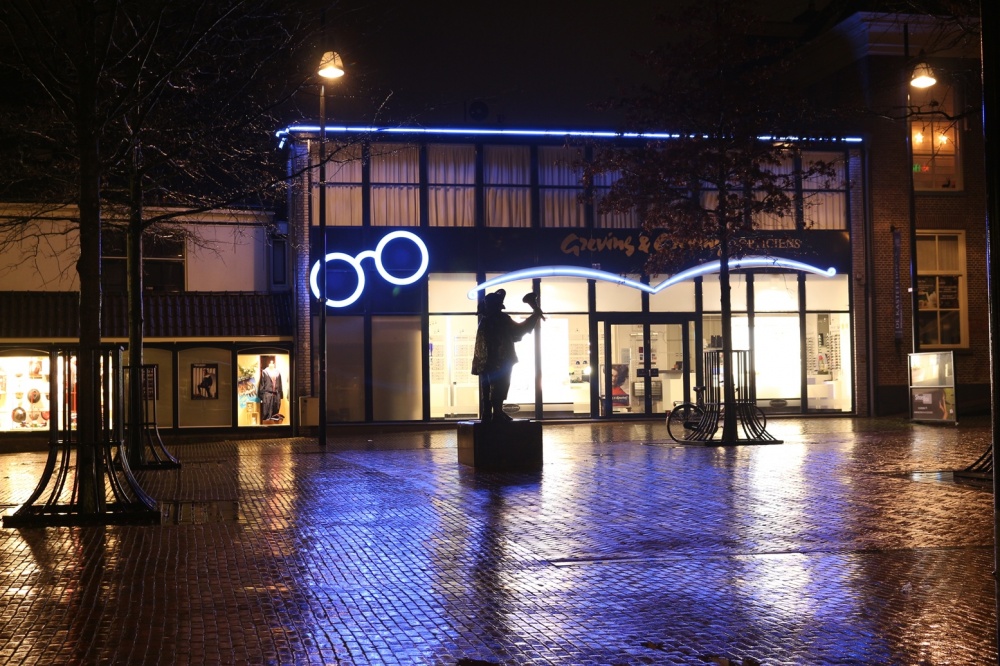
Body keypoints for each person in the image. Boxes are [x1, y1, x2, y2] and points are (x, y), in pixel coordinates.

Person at [471, 289, 543, 423]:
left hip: (485, 361)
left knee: (487, 388)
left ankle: (488, 413)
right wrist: (535, 315)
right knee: (500, 385)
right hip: (500, 359)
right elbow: (518, 331)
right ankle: (497, 413)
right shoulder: (501, 319)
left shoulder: (484, 321)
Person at [257, 357, 284, 422]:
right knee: (266, 412)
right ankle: (266, 425)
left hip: (276, 394)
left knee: (276, 411)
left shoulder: (278, 372)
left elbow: (280, 384)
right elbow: (262, 384)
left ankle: (275, 425)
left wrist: (280, 395)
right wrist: (261, 396)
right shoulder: (265, 372)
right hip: (267, 395)